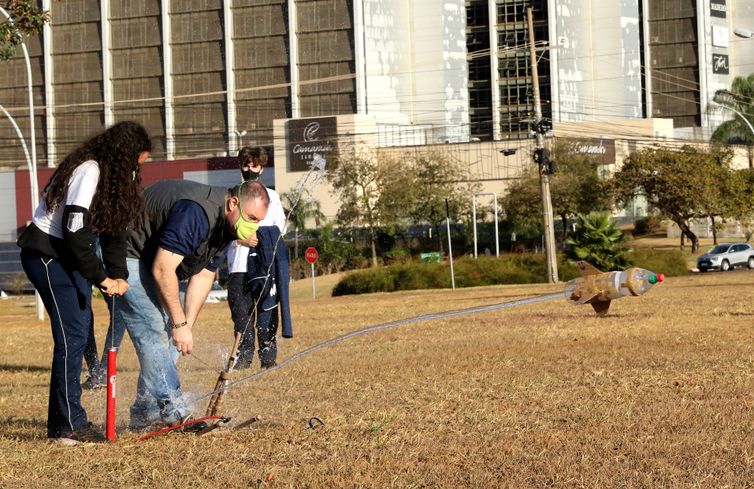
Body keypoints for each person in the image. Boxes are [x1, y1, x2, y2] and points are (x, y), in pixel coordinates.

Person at [17, 121, 152, 443]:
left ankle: (70, 419)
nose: (136, 173)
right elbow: (75, 231)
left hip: (70, 257)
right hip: (47, 254)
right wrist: (101, 278)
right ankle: (65, 427)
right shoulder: (89, 170)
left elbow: (114, 234)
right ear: (122, 156)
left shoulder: (112, 184)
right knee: (72, 337)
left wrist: (119, 274)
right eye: (134, 165)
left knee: (78, 331)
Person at [117, 178, 269, 430]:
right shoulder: (197, 213)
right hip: (126, 253)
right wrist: (178, 323)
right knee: (153, 327)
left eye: (259, 221)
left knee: (169, 333)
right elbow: (163, 268)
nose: (254, 227)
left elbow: (204, 274)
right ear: (233, 203)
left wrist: (186, 323)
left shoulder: (227, 226)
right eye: (252, 218)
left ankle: (144, 413)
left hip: (151, 257)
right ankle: (174, 410)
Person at [225, 146, 289, 369]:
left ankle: (268, 359)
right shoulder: (231, 194)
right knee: (242, 316)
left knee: (267, 313)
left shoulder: (272, 197)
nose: (249, 169)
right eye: (245, 165)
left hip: (264, 266)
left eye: (254, 165)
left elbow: (281, 227)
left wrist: (262, 237)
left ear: (262, 169)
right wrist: (240, 239)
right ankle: (242, 360)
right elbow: (222, 228)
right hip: (238, 267)